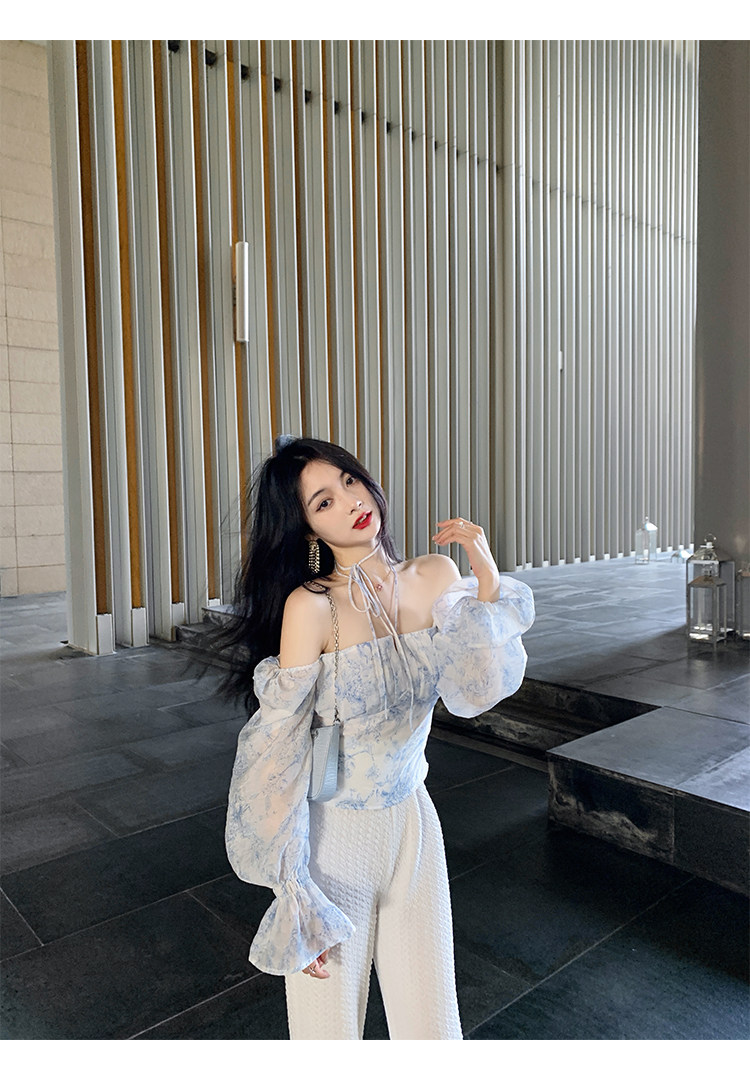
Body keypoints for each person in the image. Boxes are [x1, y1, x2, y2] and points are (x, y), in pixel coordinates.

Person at [219, 436, 534, 1040]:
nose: (350, 502)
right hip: (333, 841)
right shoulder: (310, 607)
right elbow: (276, 750)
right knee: (328, 1033)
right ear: (308, 529)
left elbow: (480, 686)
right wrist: (293, 890)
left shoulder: (434, 575)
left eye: (349, 481)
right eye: (323, 502)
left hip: (415, 822)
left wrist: (486, 574)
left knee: (434, 1026)